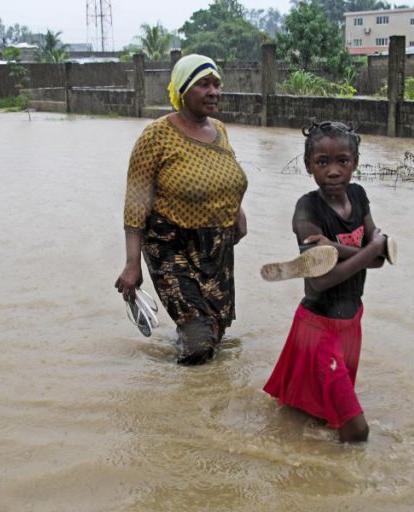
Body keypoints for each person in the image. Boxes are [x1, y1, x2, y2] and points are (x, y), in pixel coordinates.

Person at [263, 120, 396, 443]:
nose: (333, 171)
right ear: (309, 166)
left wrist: (336, 247)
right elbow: (322, 281)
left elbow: (378, 260)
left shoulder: (359, 196)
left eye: (342, 161)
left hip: (351, 323)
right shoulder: (306, 210)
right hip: (318, 328)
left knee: (320, 416)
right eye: (323, 162)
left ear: (355, 163)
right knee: (355, 429)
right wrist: (373, 246)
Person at [114, 54, 248, 365]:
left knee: (217, 330)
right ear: (183, 90)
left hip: (217, 248)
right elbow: (135, 203)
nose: (214, 91)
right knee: (200, 344)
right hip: (170, 245)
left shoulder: (220, 130)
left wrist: (238, 215)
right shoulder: (156, 135)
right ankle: (182, 408)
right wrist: (132, 265)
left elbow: (228, 175)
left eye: (217, 84)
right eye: (204, 84)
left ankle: (209, 399)